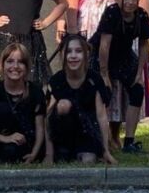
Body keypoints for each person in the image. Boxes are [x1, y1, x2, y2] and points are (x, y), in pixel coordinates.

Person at [90, 0, 149, 153]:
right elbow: (104, 45)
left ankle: (129, 141)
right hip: (101, 56)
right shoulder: (112, 13)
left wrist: (139, 73)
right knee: (104, 93)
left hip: (124, 56)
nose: (130, 2)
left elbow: (144, 45)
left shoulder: (141, 15)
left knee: (137, 90)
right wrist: (104, 75)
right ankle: (100, 140)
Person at [45, 34, 117, 165]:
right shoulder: (56, 81)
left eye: (78, 51)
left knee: (88, 161)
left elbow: (101, 116)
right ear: (62, 54)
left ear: (86, 54)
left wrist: (106, 151)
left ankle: (91, 151)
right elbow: (48, 117)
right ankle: (63, 150)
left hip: (87, 130)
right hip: (64, 132)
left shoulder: (94, 79)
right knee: (63, 105)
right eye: (69, 51)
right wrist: (49, 155)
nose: (73, 56)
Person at [0, 43, 46, 164]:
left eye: (21, 62)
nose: (15, 66)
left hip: (27, 146)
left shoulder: (35, 92)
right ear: (2, 64)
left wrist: (33, 154)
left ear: (27, 67)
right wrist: (6, 139)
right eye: (10, 61)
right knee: (3, 108)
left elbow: (40, 129)